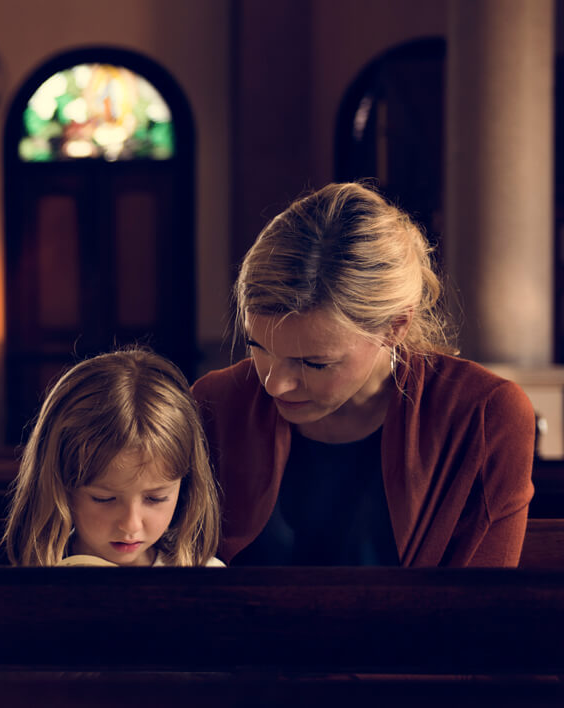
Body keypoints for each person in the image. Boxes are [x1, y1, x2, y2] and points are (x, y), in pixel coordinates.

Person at [193, 182, 536, 566]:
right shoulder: (214, 404)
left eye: (314, 363)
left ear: (395, 327)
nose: (274, 383)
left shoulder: (484, 416)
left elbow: (480, 612)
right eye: (259, 347)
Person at [1, 349, 222, 567]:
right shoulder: (25, 583)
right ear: (60, 485)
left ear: (185, 487)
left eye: (156, 498)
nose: (130, 526)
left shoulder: (207, 577)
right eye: (104, 499)